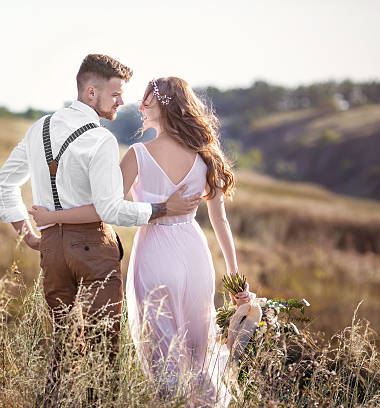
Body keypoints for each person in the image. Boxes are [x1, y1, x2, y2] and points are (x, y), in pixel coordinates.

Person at [29, 77, 252, 406]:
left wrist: (55, 217)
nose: (140, 106)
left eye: (147, 101)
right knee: (198, 351)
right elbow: (220, 221)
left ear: (163, 106)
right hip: (194, 257)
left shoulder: (138, 154)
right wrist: (236, 281)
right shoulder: (206, 156)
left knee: (164, 355)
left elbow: (106, 209)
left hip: (155, 258)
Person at [0, 55, 202, 401]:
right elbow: (111, 209)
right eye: (116, 94)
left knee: (62, 348)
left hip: (52, 250)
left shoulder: (38, 128)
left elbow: (4, 184)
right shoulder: (100, 139)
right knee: (102, 354)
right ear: (92, 92)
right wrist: (164, 208)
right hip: (93, 249)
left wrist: (29, 234)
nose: (123, 102)